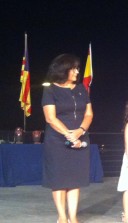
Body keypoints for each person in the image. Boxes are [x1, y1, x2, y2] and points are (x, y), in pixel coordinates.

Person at [42, 54, 93, 223]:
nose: (77, 71)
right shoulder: (50, 90)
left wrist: (80, 131)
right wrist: (69, 135)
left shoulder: (81, 89)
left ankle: (73, 217)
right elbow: (50, 118)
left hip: (80, 138)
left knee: (74, 180)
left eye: (78, 68)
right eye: (74, 68)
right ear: (64, 70)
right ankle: (62, 218)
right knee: (59, 181)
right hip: (58, 141)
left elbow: (89, 113)